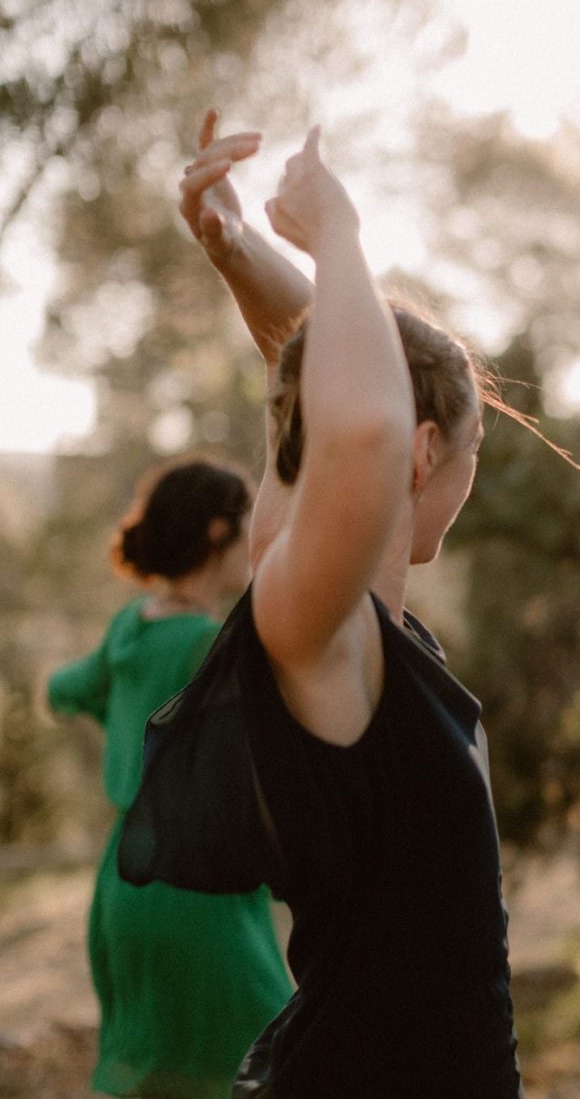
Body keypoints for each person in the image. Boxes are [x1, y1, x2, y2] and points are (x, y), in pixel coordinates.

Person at [121, 114, 524, 1097]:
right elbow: (360, 422)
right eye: (473, 455)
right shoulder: (315, 626)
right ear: (427, 453)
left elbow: (325, 376)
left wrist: (238, 248)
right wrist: (337, 233)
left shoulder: (355, 622)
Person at [48, 458, 294, 1099]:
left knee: (150, 1078)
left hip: (123, 888)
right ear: (219, 532)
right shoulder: (212, 646)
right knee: (277, 1063)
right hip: (198, 892)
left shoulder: (130, 627)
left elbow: (63, 689)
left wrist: (125, 731)